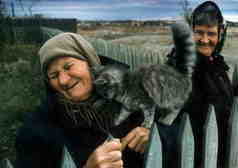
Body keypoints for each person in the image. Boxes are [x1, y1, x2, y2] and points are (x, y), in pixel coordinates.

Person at [15, 32, 150, 168]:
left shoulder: (129, 99)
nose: (63, 80)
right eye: (54, 75)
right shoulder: (37, 131)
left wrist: (150, 134)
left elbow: (166, 140)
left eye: (68, 67)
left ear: (90, 63)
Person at [165, 1, 238, 167]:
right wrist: (233, 118)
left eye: (211, 33)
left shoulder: (211, 61)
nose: (205, 40)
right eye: (199, 32)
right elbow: (194, 109)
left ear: (220, 34)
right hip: (196, 154)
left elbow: (217, 94)